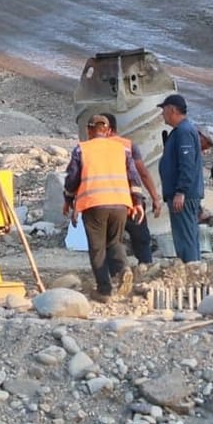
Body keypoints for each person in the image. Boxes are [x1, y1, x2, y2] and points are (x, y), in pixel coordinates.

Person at [62, 113, 161, 301]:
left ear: (89, 130)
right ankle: (123, 268)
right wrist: (138, 202)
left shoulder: (82, 149)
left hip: (94, 205)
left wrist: (68, 200)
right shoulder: (122, 149)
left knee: (98, 248)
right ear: (107, 130)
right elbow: (134, 177)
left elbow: (72, 179)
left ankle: (104, 290)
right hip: (121, 204)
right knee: (115, 242)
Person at [156, 93, 206, 262]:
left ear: (172, 110)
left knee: (185, 238)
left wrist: (180, 191)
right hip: (186, 194)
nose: (162, 114)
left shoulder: (184, 132)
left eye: (163, 110)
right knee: (189, 235)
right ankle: (194, 268)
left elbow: (187, 164)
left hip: (184, 196)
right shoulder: (184, 130)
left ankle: (191, 270)